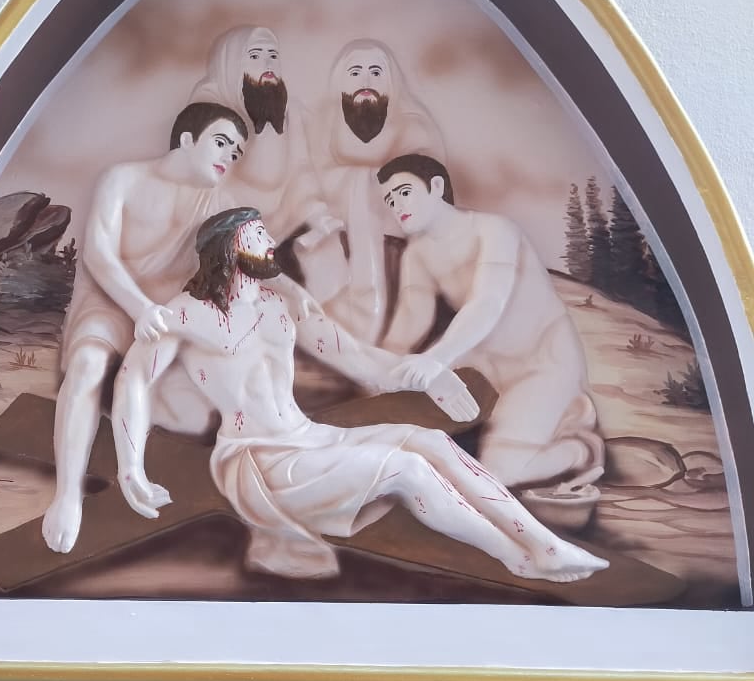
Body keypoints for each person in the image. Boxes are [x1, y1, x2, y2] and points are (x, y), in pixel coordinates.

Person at [112, 207, 608, 583]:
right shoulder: (185, 314)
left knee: (430, 441)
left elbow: (357, 357)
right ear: (229, 247)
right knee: (406, 469)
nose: (270, 243)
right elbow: (133, 379)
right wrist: (131, 469)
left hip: (308, 438)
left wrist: (429, 374)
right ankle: (515, 559)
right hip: (257, 458)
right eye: (258, 235)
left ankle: (544, 544)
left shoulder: (281, 306)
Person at [41, 102, 248, 554]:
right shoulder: (123, 179)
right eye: (221, 142)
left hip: (167, 319)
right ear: (187, 139)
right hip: (111, 301)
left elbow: (248, 263)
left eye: (236, 152)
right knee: (88, 365)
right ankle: (67, 496)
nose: (229, 156)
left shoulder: (221, 204)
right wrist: (139, 308)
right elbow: (98, 254)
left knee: (185, 405)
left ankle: (132, 470)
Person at [378, 153, 604, 490]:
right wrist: (380, 372)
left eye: (404, 192)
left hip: (542, 361)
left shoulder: (494, 230)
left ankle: (580, 451)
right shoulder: (418, 254)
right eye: (390, 200)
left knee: (499, 472)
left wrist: (436, 359)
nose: (397, 206)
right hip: (483, 363)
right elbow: (410, 321)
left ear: (436, 186)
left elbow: (488, 302)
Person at [310, 39, 445, 341]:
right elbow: (311, 178)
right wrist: (359, 182)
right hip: (335, 235)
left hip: (395, 241)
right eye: (355, 73)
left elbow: (424, 185)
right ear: (340, 82)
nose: (366, 82)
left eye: (375, 72)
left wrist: (365, 184)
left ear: (390, 82)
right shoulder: (324, 125)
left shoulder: (415, 126)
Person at [189, 25, 336, 246]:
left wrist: (316, 211)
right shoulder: (213, 111)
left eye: (273, 56)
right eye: (255, 56)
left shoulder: (291, 112)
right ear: (233, 63)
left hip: (283, 213)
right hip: (232, 217)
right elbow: (208, 182)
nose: (267, 64)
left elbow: (301, 167)